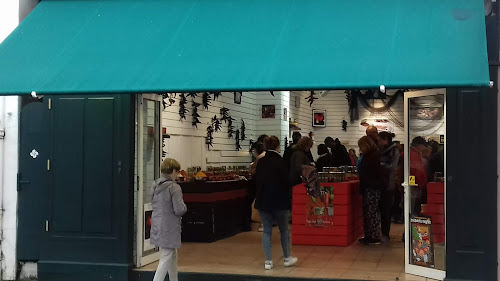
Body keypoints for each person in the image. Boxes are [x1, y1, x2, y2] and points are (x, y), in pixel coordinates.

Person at [255, 136, 298, 270]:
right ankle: (286, 258)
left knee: (267, 231)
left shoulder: (261, 162)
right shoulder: (281, 161)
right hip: (280, 201)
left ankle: (268, 262)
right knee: (284, 230)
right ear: (278, 146)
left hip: (263, 200)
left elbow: (256, 181)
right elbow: (287, 182)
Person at [151, 158, 187, 281]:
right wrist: (185, 206)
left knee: (172, 254)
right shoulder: (174, 187)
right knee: (166, 256)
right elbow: (179, 209)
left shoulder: (155, 185)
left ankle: (174, 279)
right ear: (172, 171)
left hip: (157, 224)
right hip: (170, 226)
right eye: (177, 172)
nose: (178, 174)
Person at [357, 136, 384, 245]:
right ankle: (370, 235)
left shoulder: (371, 157)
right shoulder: (373, 155)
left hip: (371, 187)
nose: (360, 149)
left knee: (371, 212)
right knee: (370, 212)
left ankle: (373, 236)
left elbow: (371, 173)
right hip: (372, 187)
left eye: (361, 146)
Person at [378, 132, 400, 243]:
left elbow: (393, 167)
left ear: (385, 139)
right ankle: (381, 233)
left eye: (380, 140)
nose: (379, 142)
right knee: (381, 209)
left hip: (388, 184)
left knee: (386, 210)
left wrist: (381, 165)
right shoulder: (381, 150)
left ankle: (385, 234)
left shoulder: (394, 151)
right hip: (381, 183)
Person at [249, 141, 266, 231]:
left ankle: (263, 224)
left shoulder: (259, 158)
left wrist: (251, 166)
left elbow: (252, 171)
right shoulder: (267, 155)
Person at [409, 137, 428, 215]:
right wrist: (421, 183)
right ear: (419, 145)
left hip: (414, 184)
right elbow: (417, 171)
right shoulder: (414, 155)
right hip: (415, 185)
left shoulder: (411, 153)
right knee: (414, 209)